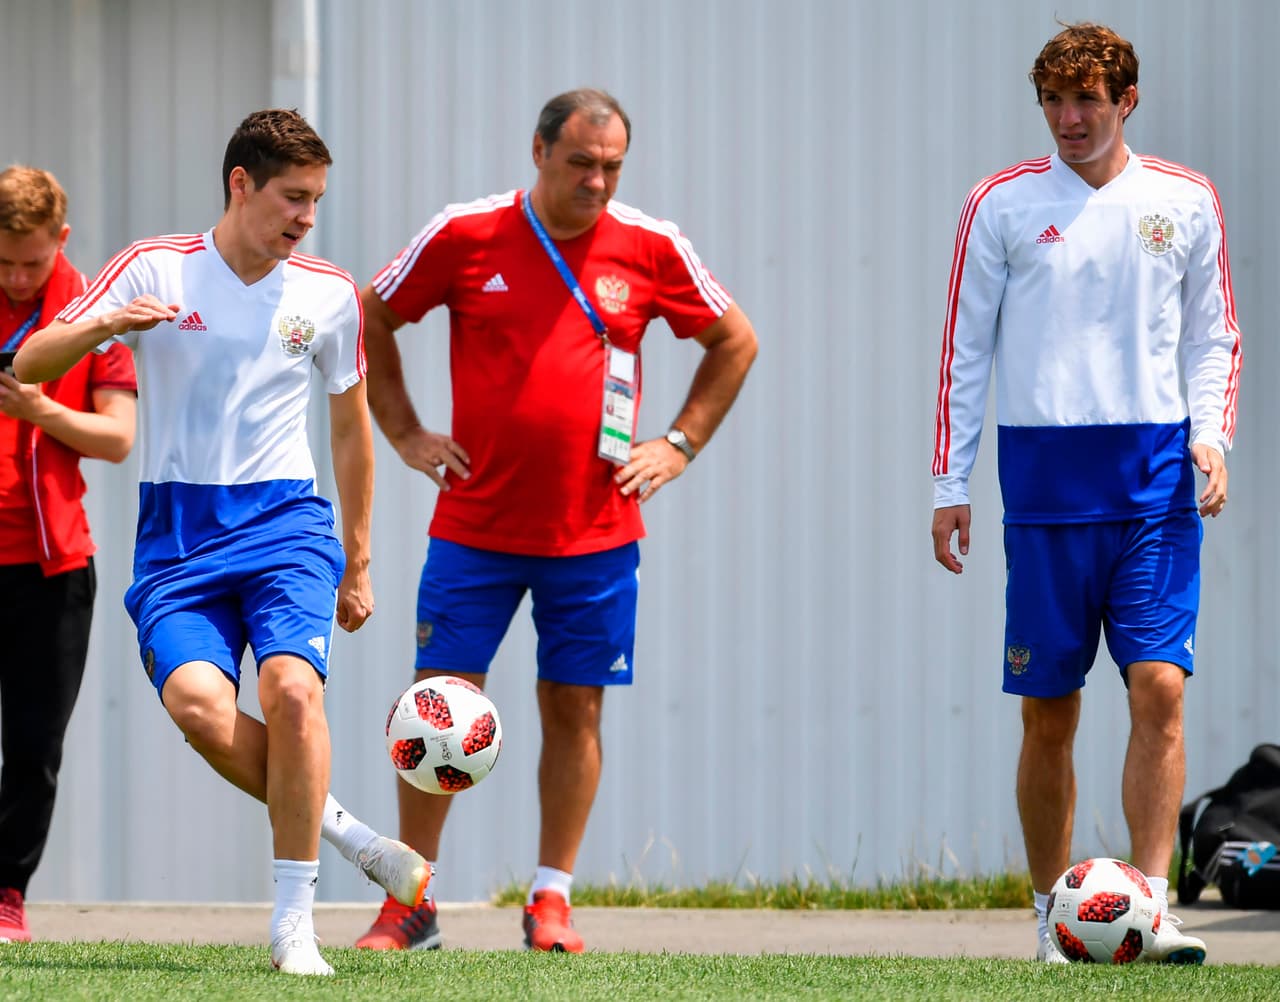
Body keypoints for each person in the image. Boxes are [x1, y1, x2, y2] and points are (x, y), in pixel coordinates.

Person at [14, 110, 432, 975]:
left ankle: (293, 923)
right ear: (240, 184)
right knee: (199, 708)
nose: (306, 217)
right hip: (177, 534)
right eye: (292, 197)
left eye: (316, 200)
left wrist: (358, 561)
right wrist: (102, 326)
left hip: (286, 522)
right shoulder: (155, 266)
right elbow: (29, 363)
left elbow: (350, 435)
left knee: (291, 694)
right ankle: (354, 838)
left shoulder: (327, 293)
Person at [355, 87, 758, 952]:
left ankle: (550, 898)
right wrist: (404, 430)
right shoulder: (465, 233)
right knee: (439, 711)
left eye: (613, 167)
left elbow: (735, 340)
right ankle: (410, 901)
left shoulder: (652, 245)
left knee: (575, 709)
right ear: (537, 152)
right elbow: (374, 311)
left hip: (596, 535)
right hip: (474, 529)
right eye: (581, 164)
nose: (598, 183)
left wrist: (679, 444)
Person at [930, 23, 1240, 965]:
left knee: (1159, 690)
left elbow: (1212, 336)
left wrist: (1211, 436)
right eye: (1055, 102)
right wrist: (950, 482)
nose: (1070, 120)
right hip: (1043, 487)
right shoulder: (1002, 203)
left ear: (1126, 102)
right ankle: (1049, 919)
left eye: (1088, 102)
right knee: (1049, 711)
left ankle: (1150, 907)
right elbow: (964, 350)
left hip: (1153, 482)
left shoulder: (1184, 199)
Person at [0, 166, 137, 943]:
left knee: (32, 744)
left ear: (63, 240)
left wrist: (41, 406)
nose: (19, 277)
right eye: (4, 263)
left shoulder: (93, 316)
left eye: (32, 261)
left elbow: (118, 438)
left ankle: (6, 893)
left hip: (52, 569)